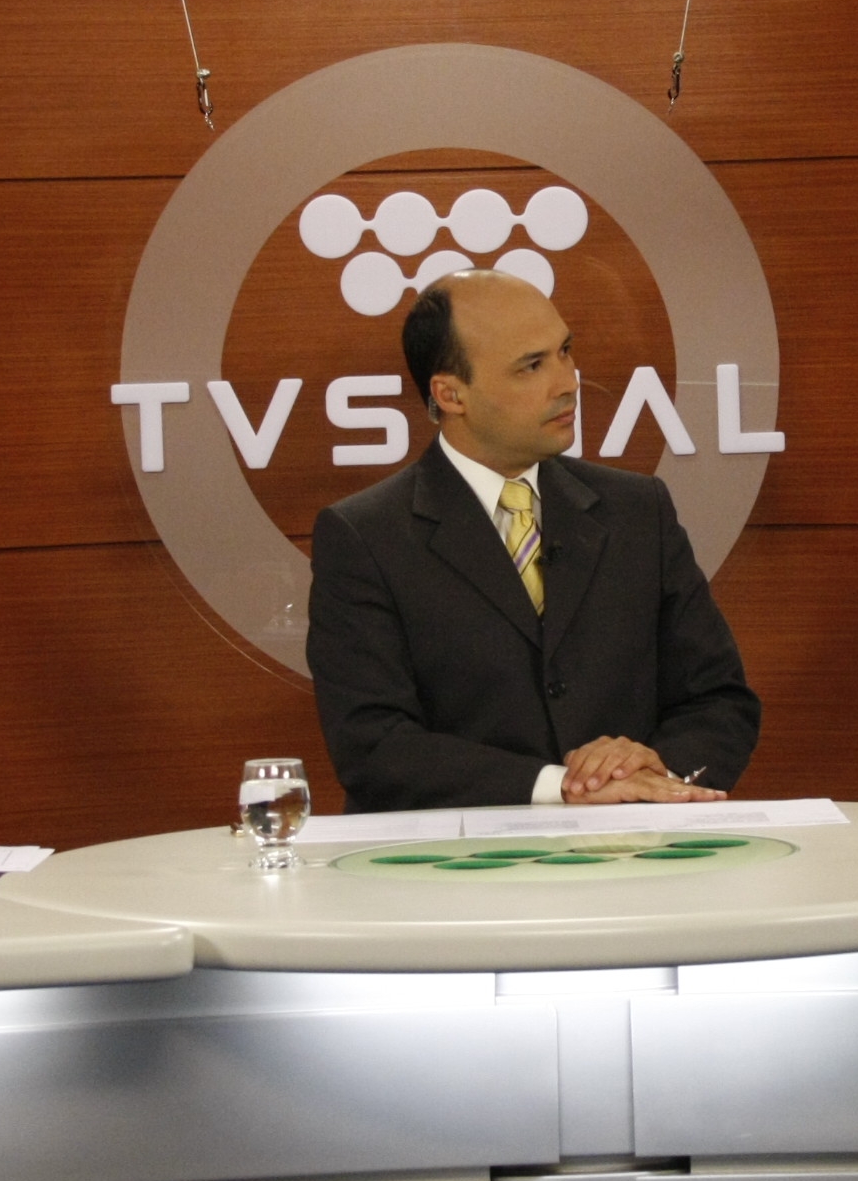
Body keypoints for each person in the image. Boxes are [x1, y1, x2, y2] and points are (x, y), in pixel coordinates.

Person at [307, 268, 760, 811]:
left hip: (629, 847)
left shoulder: (639, 510)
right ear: (451, 394)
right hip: (456, 853)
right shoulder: (365, 536)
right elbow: (374, 746)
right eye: (532, 366)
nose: (568, 382)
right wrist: (559, 787)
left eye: (565, 351)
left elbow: (718, 700)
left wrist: (650, 772)